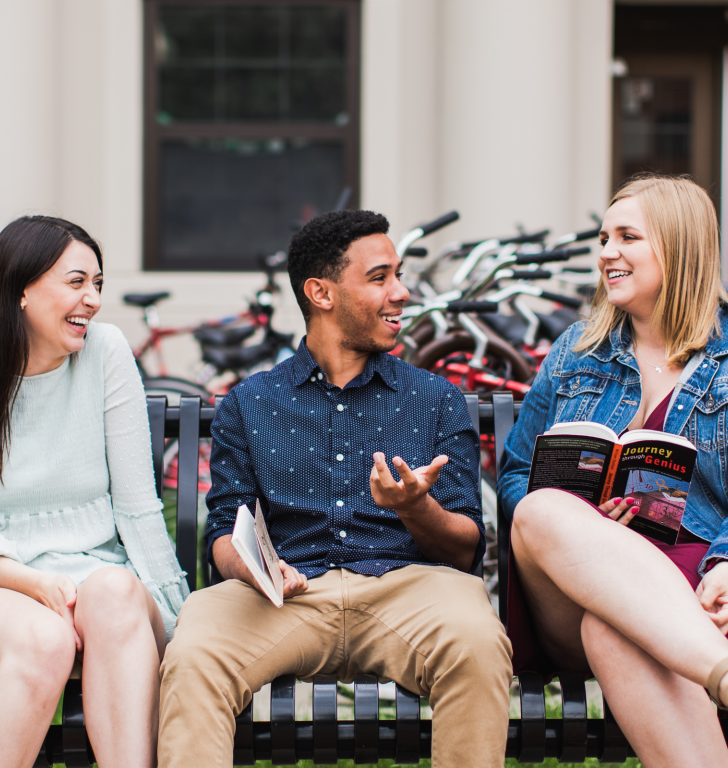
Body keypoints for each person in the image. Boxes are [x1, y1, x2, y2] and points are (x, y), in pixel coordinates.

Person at [158, 210, 512, 768]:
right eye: (380, 278)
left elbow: (464, 548)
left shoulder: (436, 399)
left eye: (399, 275)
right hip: (286, 597)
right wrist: (253, 567)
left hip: (407, 589)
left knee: (476, 640)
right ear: (321, 293)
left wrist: (417, 509)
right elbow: (225, 530)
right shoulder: (250, 404)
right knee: (196, 651)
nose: (402, 293)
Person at [497, 175, 728, 768]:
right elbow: (517, 472)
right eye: (603, 237)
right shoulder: (576, 350)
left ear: (678, 248)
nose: (606, 253)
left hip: (718, 589)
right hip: (576, 588)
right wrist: (585, 520)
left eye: (627, 237)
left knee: (616, 629)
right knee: (542, 508)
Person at [0, 216, 188, 768]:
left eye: (97, 284)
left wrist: (176, 614)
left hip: (97, 591)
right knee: (44, 637)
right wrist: (33, 583)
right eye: (76, 282)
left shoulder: (105, 352)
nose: (93, 299)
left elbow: (138, 509)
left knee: (116, 592)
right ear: (22, 289)